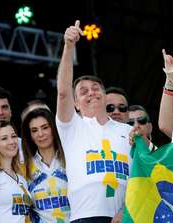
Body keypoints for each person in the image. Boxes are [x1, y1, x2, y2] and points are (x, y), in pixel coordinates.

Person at [56, 20, 132, 223]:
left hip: (123, 217)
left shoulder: (128, 130)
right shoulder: (72, 128)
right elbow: (63, 93)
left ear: (106, 96)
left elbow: (144, 174)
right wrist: (68, 47)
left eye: (96, 88)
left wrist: (127, 210)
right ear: (76, 104)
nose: (91, 93)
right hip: (84, 218)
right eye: (83, 91)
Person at [21, 107, 70, 222]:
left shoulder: (71, 159)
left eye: (45, 127)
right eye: (34, 130)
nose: (40, 134)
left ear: (54, 128)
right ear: (30, 136)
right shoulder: (24, 168)